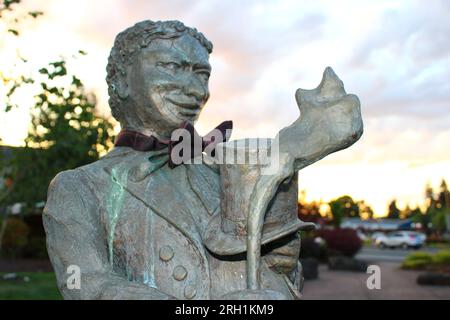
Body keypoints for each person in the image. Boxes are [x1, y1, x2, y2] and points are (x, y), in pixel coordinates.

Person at [43, 20, 302, 300]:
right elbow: (83, 284)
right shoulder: (78, 188)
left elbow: (271, 275)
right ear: (121, 81)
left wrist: (280, 264)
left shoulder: (224, 175)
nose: (196, 90)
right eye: (172, 67)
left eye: (202, 74)